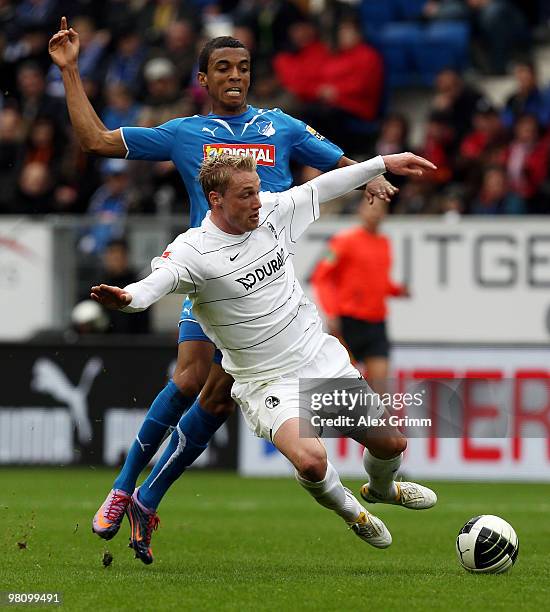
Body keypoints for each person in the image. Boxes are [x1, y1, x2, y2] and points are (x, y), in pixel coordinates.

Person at [48, 18, 399, 547]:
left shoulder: (281, 126)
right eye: (222, 69)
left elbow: (336, 167)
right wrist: (72, 70)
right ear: (204, 79)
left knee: (215, 398)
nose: (234, 77)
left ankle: (146, 499)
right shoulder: (186, 132)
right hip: (208, 273)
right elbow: (96, 141)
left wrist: (371, 173)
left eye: (243, 68)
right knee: (191, 380)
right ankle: (124, 488)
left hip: (263, 281)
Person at [91, 152, 438, 563]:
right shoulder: (193, 252)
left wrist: (382, 163)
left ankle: (382, 489)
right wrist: (129, 298)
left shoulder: (273, 212)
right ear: (216, 199)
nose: (257, 201)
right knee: (311, 461)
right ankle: (352, 511)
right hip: (268, 382)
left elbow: (321, 187)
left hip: (320, 361)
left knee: (392, 446)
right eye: (246, 195)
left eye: (257, 190)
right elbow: (155, 283)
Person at [312, 195, 408, 393]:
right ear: (361, 211)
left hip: (376, 322)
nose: (375, 213)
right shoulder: (343, 240)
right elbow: (321, 277)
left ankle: (373, 424)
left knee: (380, 386)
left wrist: (396, 290)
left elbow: (379, 280)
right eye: (371, 207)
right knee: (344, 388)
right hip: (349, 322)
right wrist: (331, 312)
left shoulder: (384, 243)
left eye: (380, 209)